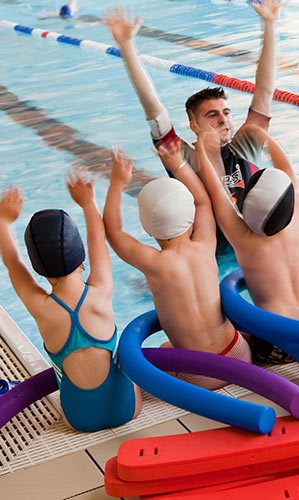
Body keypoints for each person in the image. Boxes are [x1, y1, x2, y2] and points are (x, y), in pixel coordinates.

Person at [104, 1, 279, 213]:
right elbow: (153, 108)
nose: (223, 120)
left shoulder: (244, 148)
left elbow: (265, 91)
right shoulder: (181, 157)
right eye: (212, 115)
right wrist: (128, 47)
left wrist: (269, 23)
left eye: (226, 113)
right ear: (193, 125)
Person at [0, 174, 142, 432]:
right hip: (127, 410)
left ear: (38, 270)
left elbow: (13, 264)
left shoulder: (41, 307)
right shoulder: (101, 289)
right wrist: (88, 202)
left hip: (78, 420)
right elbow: (98, 240)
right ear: (82, 257)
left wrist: (3, 221)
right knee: (132, 371)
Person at [103, 147, 251, 389]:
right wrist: (179, 165)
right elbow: (203, 202)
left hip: (199, 373)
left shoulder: (154, 263)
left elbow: (114, 231)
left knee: (163, 349)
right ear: (191, 216)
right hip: (239, 354)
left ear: (148, 229)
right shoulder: (205, 243)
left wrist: (117, 184)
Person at [195, 124, 299, 363]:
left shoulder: (244, 238)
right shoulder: (298, 213)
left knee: (223, 333)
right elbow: (287, 167)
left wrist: (202, 147)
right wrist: (265, 136)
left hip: (277, 343)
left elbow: (217, 190)